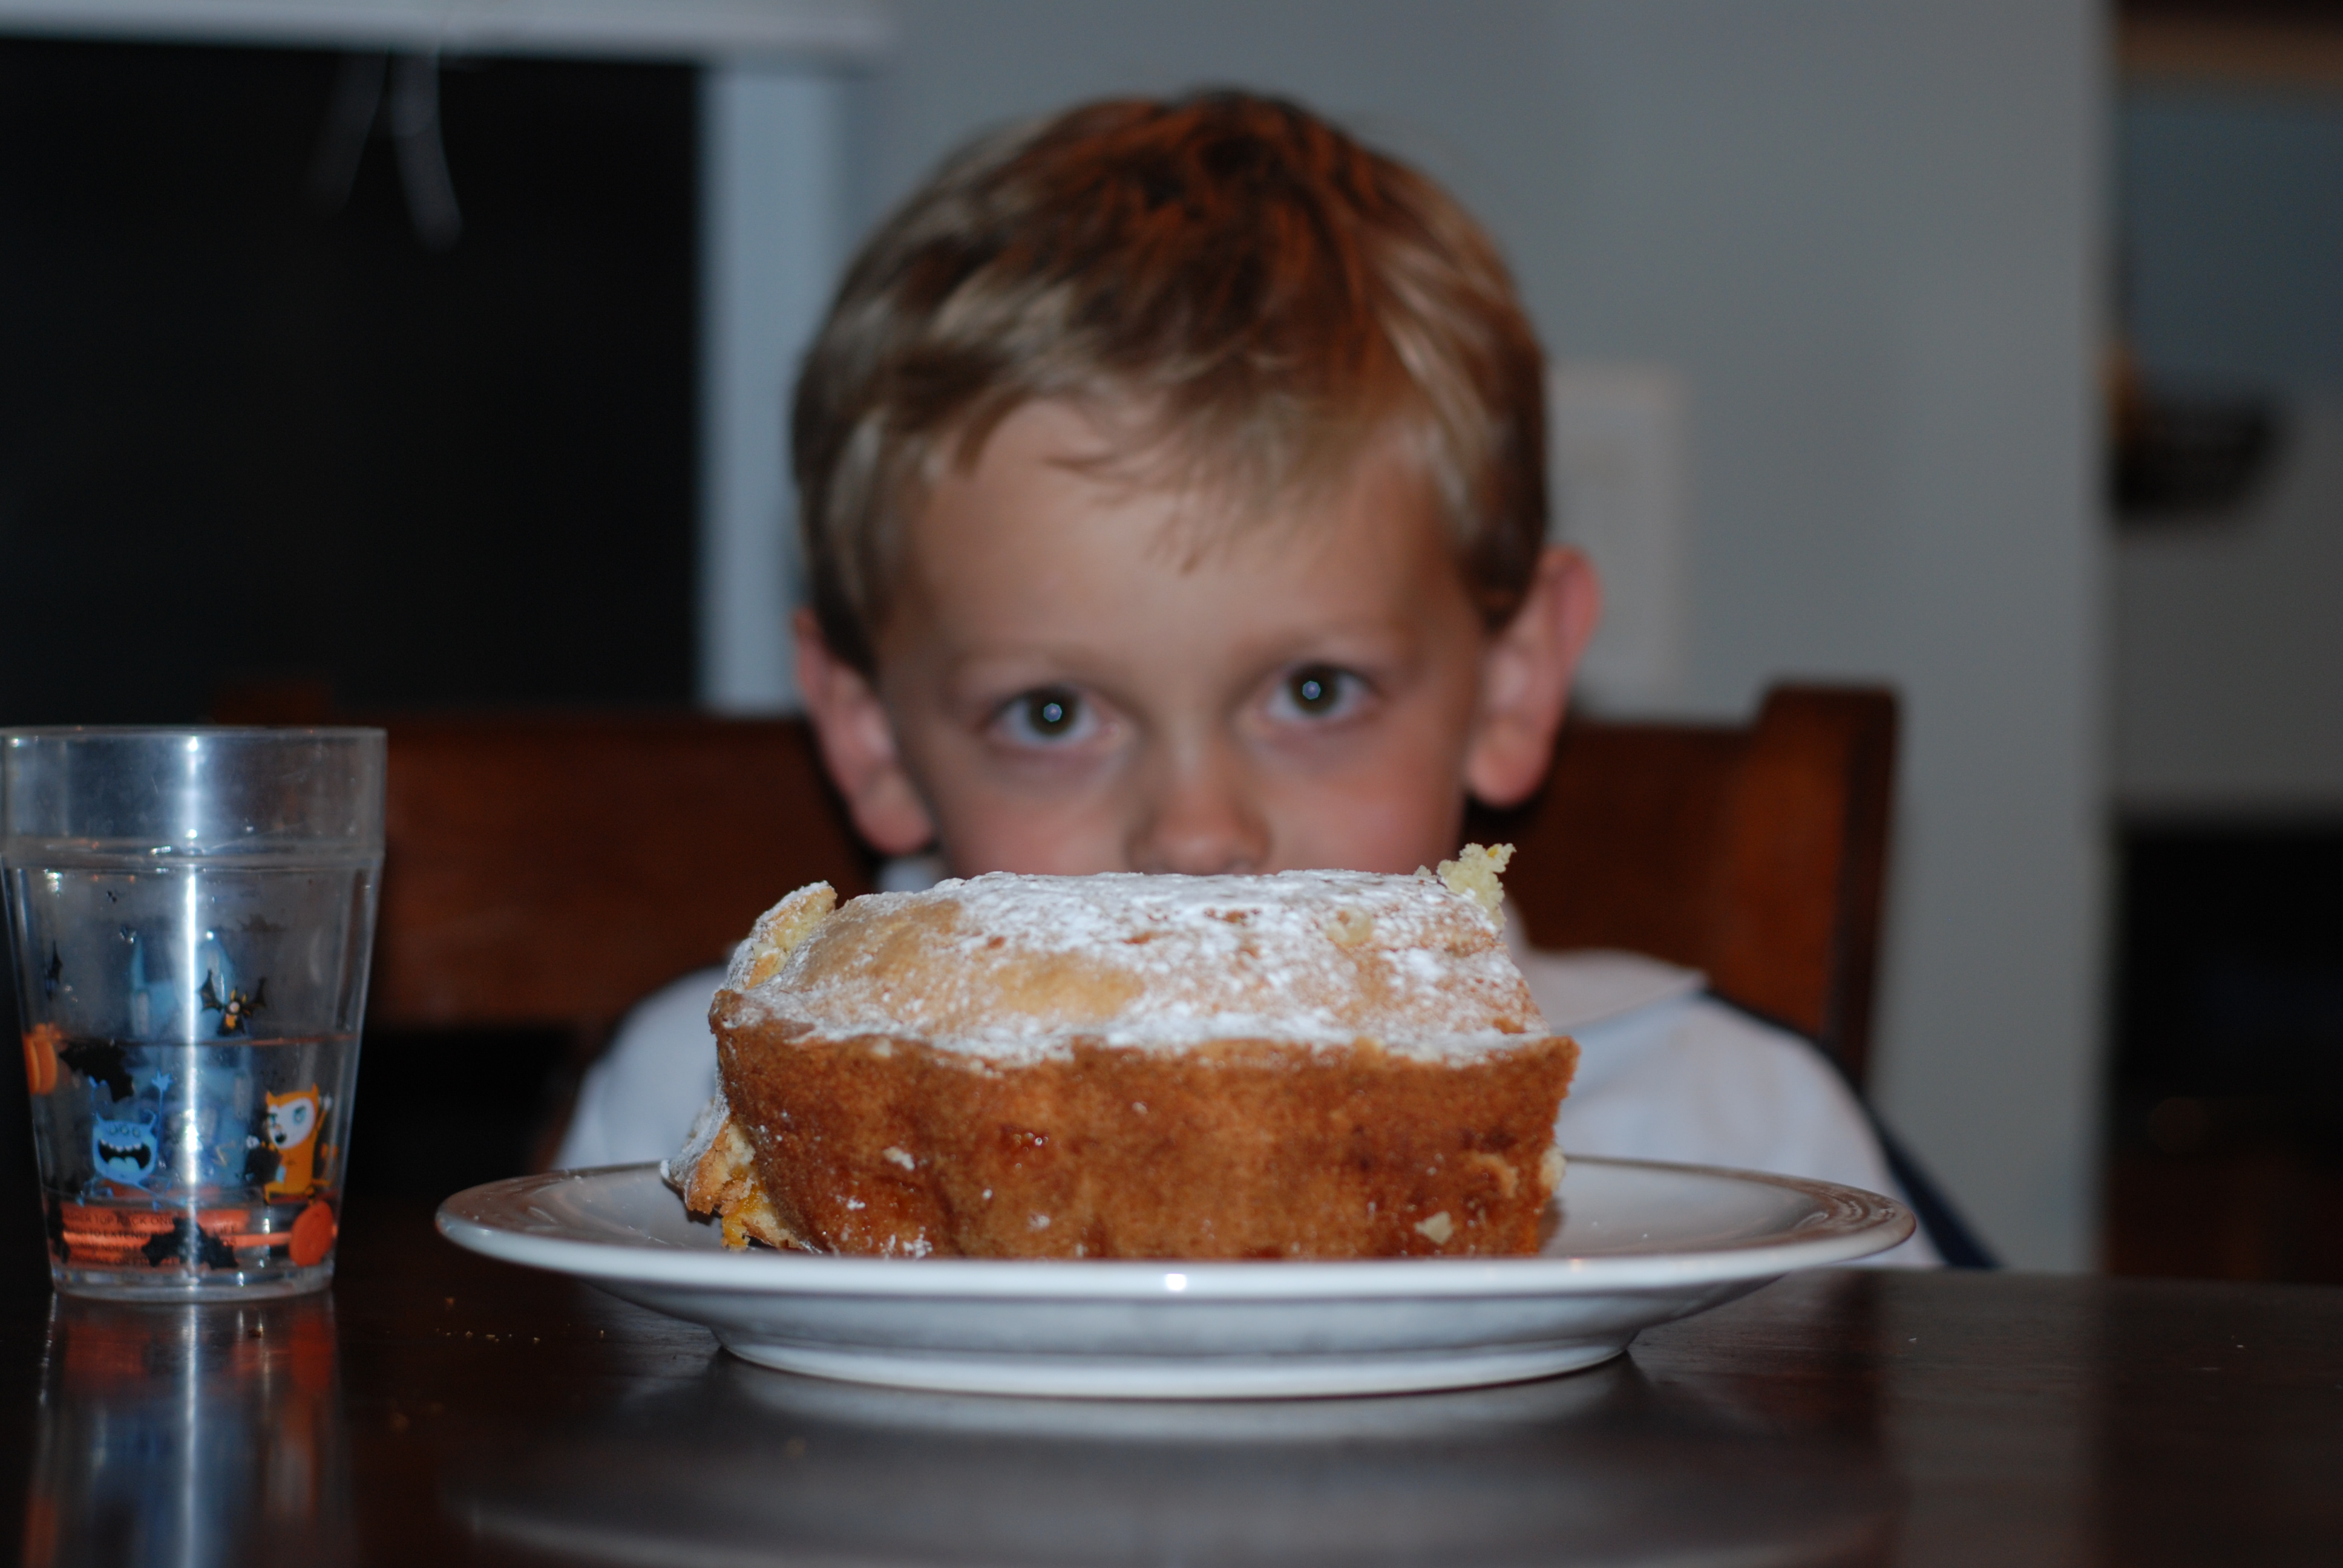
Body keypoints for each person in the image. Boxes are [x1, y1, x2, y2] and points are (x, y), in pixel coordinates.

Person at [559, 92, 1953, 1264]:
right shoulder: (720, 1100)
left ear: (1514, 681)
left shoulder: (1738, 1130)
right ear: (869, 733)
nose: (1196, 838)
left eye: (1313, 693)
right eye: (1053, 714)